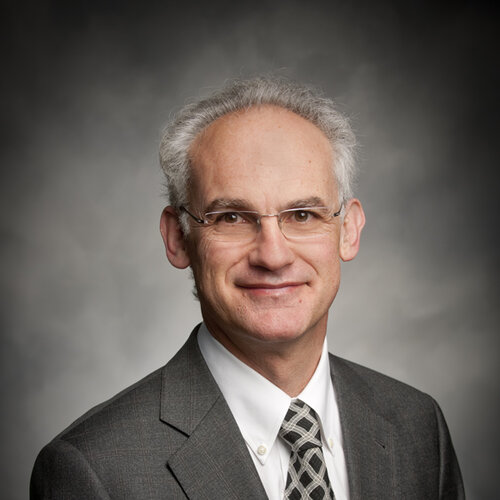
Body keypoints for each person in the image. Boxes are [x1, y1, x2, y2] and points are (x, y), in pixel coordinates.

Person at [31, 77, 465, 499]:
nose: (272, 256)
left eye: (302, 215)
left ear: (348, 231)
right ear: (178, 238)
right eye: (231, 218)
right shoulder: (94, 470)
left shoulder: (416, 426)